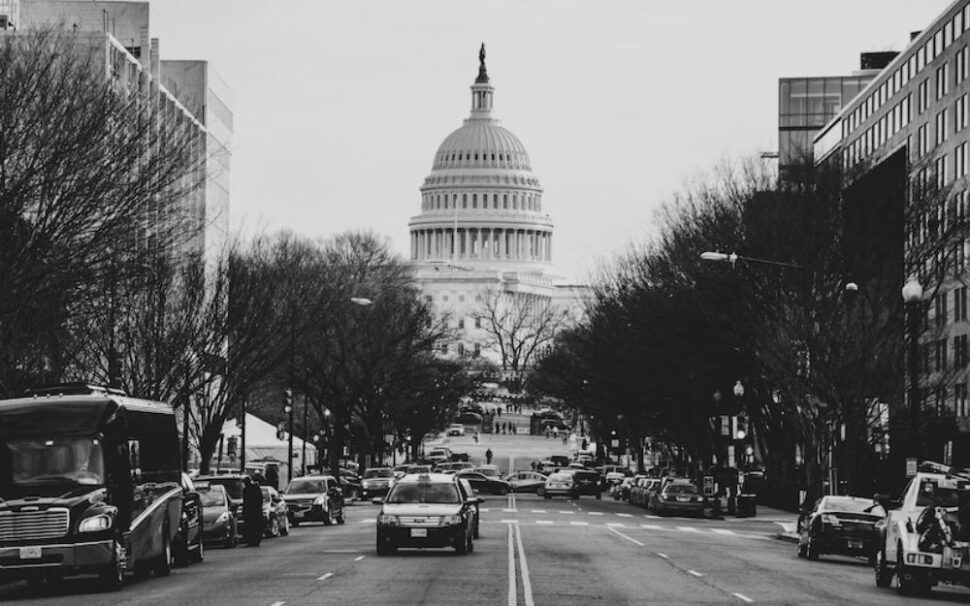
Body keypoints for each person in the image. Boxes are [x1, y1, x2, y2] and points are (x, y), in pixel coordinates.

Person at [242, 477, 264, 547]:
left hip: (252, 511)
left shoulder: (248, 490)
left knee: (252, 527)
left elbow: (246, 502)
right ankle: (254, 541)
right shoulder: (254, 488)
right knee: (253, 527)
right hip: (254, 511)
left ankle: (253, 541)